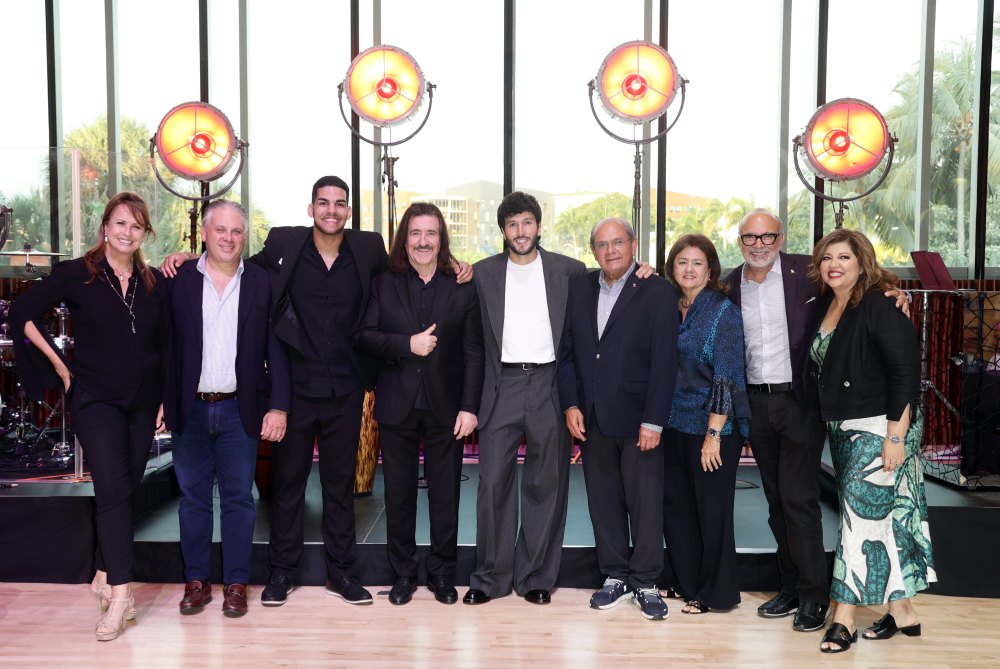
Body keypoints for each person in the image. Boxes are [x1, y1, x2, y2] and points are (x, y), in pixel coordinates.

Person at [161, 175, 471, 607]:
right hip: (295, 390)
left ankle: (341, 575)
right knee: (288, 487)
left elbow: (412, 270)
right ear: (311, 209)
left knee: (339, 488)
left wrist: (454, 265)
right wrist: (191, 256)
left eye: (340, 204)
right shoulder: (284, 245)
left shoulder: (368, 250)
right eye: (323, 203)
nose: (331, 210)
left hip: (347, 391)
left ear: (348, 211)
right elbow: (232, 260)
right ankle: (281, 574)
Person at [10, 192, 170, 641]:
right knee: (114, 492)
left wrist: (162, 400)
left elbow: (164, 346)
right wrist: (62, 369)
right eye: (120, 223)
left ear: (144, 235)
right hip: (95, 399)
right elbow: (23, 311)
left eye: (136, 226)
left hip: (142, 402)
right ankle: (121, 594)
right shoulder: (77, 274)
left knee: (126, 488)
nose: (127, 232)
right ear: (105, 227)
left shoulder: (153, 281)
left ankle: (102, 572)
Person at [805, 228, 935, 654]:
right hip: (845, 429)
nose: (834, 264)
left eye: (843, 256)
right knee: (881, 521)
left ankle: (842, 618)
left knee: (858, 523)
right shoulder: (829, 304)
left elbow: (904, 374)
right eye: (827, 257)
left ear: (863, 261)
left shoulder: (880, 303)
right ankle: (904, 613)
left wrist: (895, 437)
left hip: (882, 427)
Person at [163, 200, 291, 618]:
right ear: (204, 232)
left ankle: (236, 584)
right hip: (191, 409)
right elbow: (160, 347)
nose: (229, 238)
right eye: (221, 230)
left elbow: (278, 349)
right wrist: (159, 400)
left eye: (237, 231)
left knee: (239, 499)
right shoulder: (177, 278)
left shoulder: (261, 282)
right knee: (193, 500)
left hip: (241, 409)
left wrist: (279, 406)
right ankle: (196, 582)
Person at [353, 202, 484, 605]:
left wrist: (470, 406)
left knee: (446, 496)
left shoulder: (463, 284)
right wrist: (406, 345)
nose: (423, 241)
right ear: (404, 238)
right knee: (399, 496)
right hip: (397, 405)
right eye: (415, 233)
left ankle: (443, 575)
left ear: (441, 239)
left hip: (448, 408)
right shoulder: (383, 283)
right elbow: (364, 335)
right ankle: (404, 575)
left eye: (431, 234)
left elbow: (474, 350)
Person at [463, 191, 586, 606]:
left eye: (527, 223)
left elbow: (611, 287)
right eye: (512, 224)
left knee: (545, 483)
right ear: (503, 230)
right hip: (502, 385)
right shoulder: (481, 274)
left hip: (550, 384)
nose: (521, 231)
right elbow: (474, 341)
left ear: (538, 225)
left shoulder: (570, 271)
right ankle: (490, 578)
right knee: (492, 484)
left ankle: (536, 575)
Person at [557, 217, 678, 621]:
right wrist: (571, 405)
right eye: (602, 245)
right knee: (603, 502)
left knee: (645, 504)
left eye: (618, 242)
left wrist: (654, 420)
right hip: (591, 417)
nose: (611, 251)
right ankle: (615, 575)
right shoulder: (580, 288)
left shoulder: (659, 291)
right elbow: (569, 353)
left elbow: (665, 361)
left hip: (640, 418)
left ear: (632, 244)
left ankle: (645, 581)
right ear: (593, 251)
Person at [723, 208, 831, 632]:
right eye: (750, 238)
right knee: (774, 502)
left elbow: (856, 285)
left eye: (767, 236)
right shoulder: (730, 284)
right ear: (740, 242)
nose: (759, 244)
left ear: (780, 237)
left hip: (800, 401)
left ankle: (813, 596)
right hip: (756, 405)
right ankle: (789, 587)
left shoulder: (809, 271)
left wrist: (895, 293)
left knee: (799, 501)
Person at [662, 233, 750, 615]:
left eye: (697, 263)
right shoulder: (670, 306)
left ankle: (717, 593)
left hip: (711, 430)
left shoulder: (723, 311)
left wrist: (714, 435)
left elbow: (727, 377)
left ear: (711, 269)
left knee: (711, 513)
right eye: (682, 262)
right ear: (673, 267)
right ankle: (686, 583)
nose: (689, 269)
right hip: (671, 425)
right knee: (677, 509)